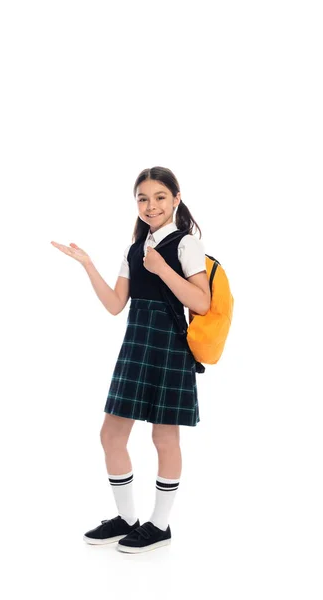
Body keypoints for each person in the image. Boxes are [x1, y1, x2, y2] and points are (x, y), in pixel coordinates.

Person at [51, 166, 211, 553]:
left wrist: (161, 269)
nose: (151, 205)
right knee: (111, 434)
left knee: (163, 435)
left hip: (171, 349)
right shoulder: (133, 248)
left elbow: (202, 303)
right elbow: (114, 305)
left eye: (159, 197)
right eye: (143, 198)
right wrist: (88, 264)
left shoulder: (185, 244)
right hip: (136, 348)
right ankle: (127, 518)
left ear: (176, 198)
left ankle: (159, 526)